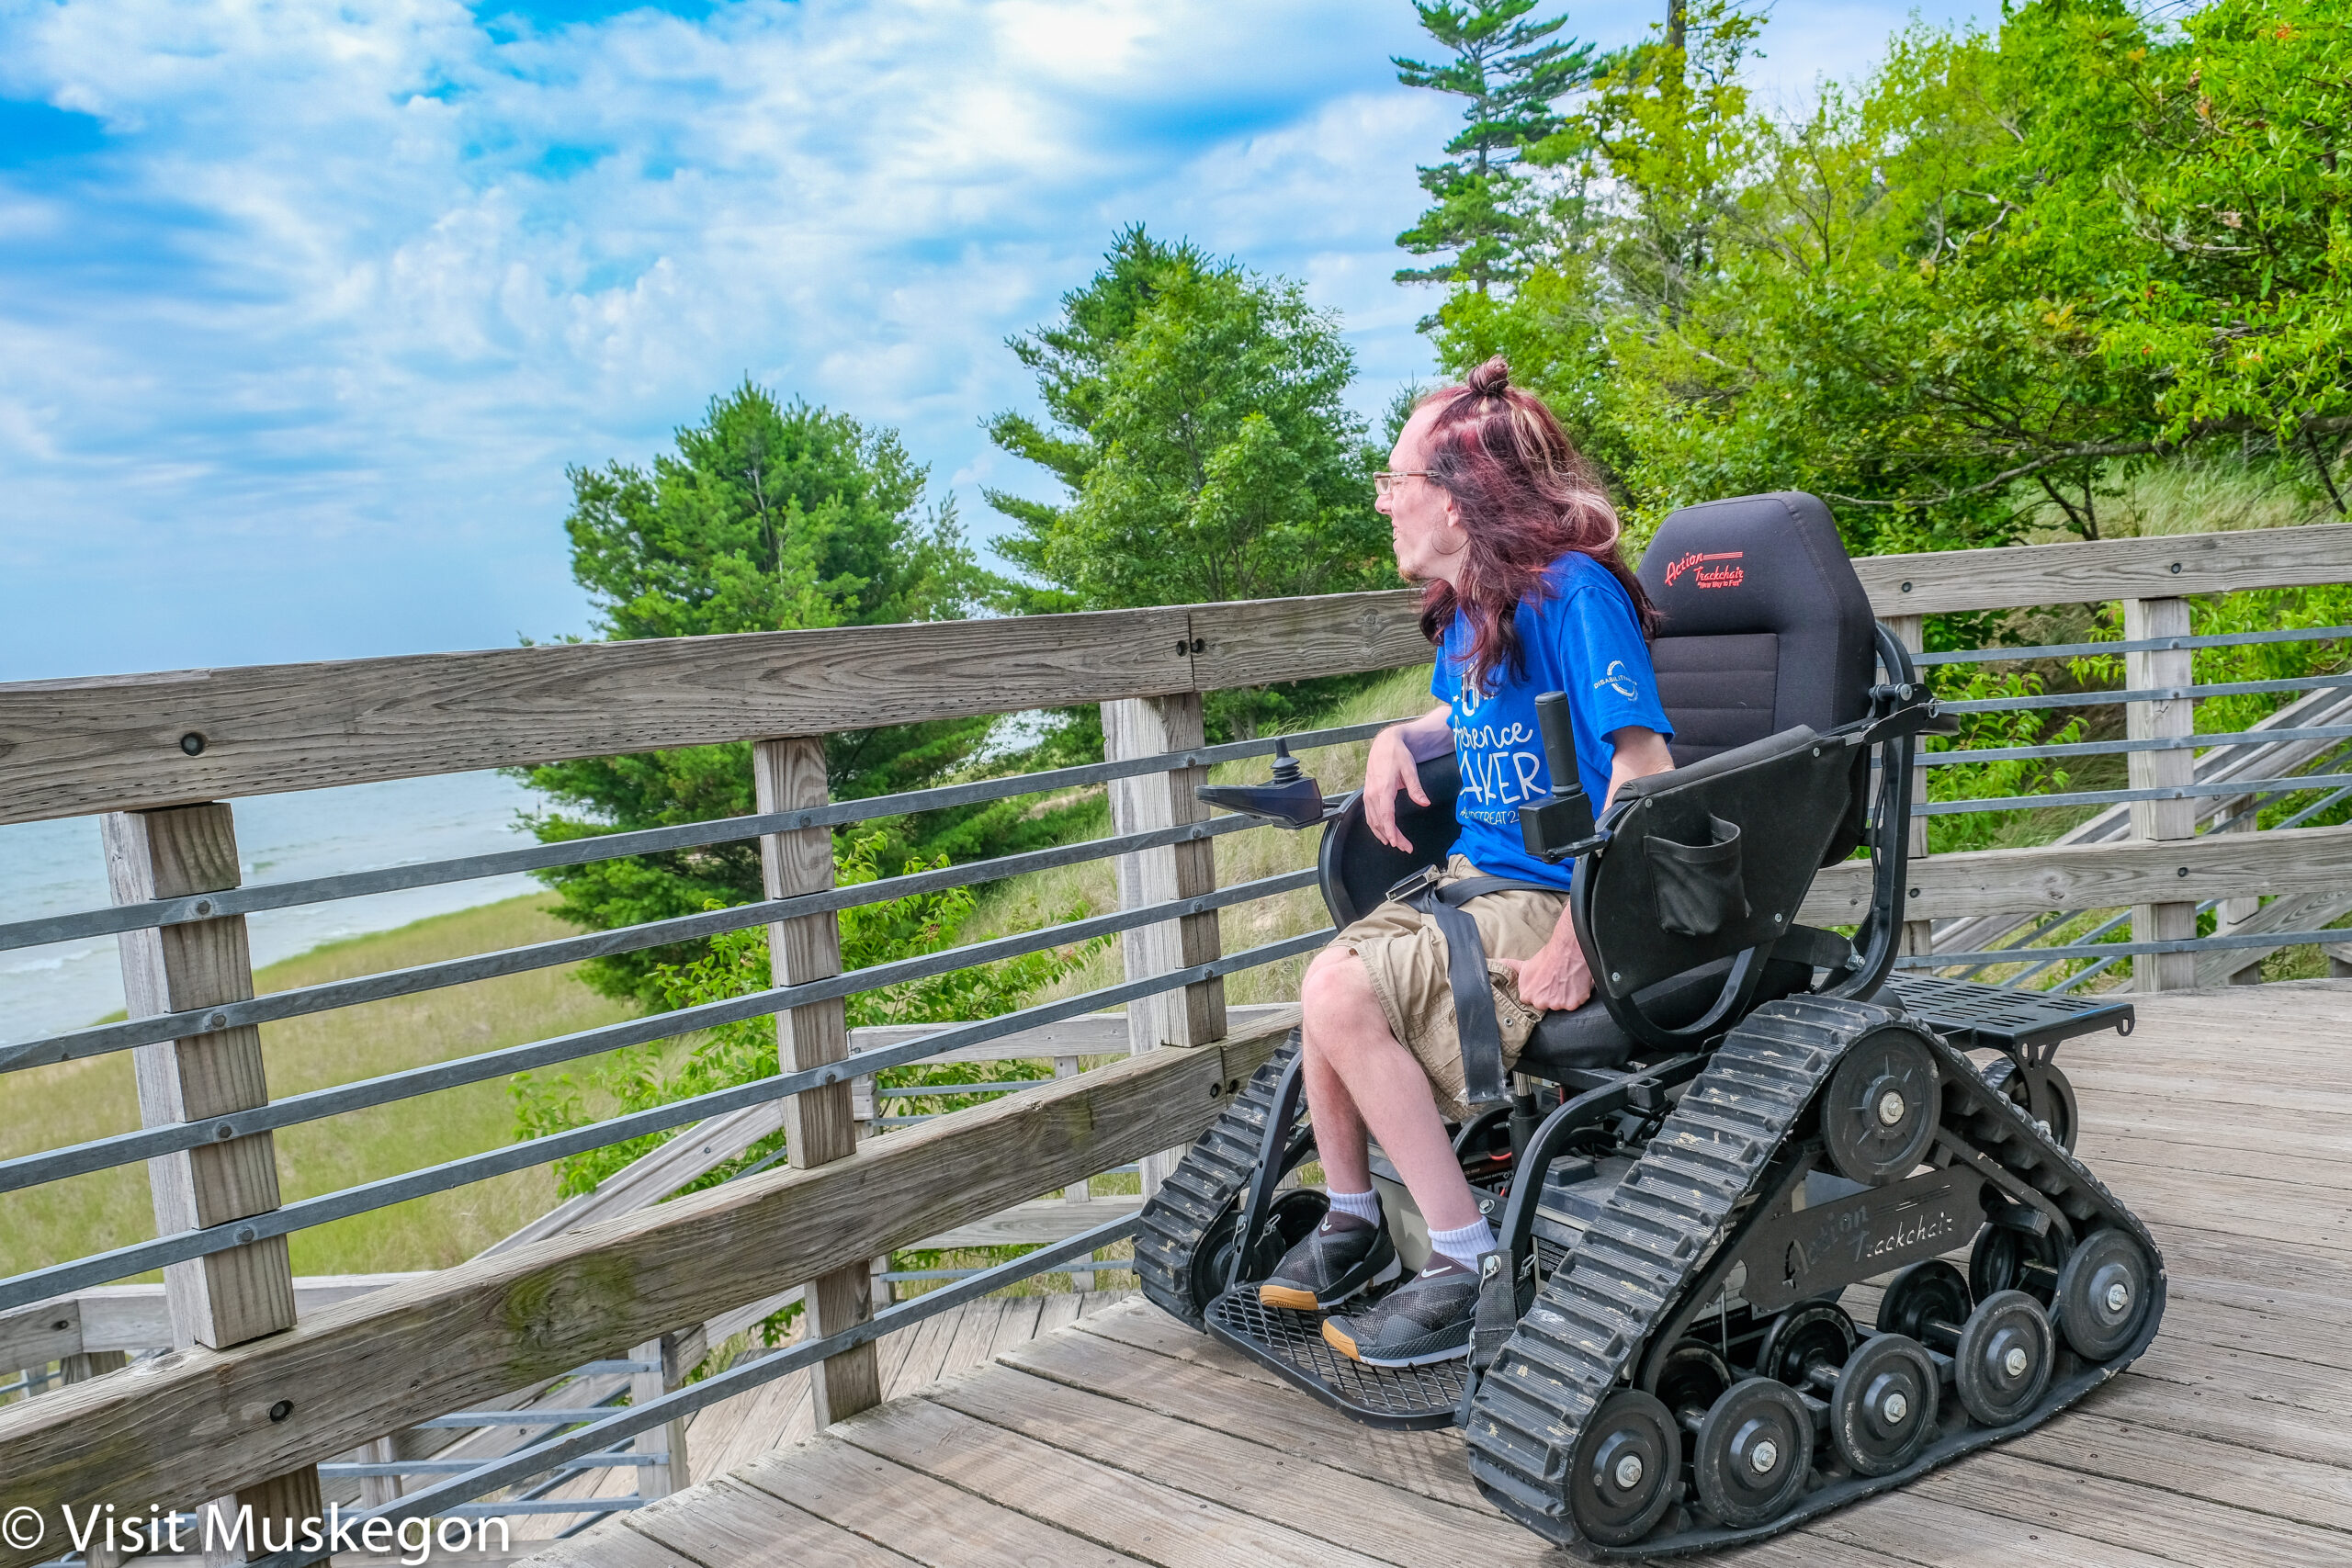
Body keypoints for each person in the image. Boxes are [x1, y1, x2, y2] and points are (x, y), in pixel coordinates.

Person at [1257, 355, 1676, 1368]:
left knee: (1343, 993)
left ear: (1459, 498)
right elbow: (1470, 708)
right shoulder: (1473, 605)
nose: (1382, 502)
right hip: (1479, 883)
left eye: (1395, 482)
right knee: (1329, 982)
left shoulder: (1573, 595)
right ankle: (1354, 1222)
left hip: (1554, 890)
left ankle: (1463, 1259)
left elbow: (1646, 766)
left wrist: (1583, 929)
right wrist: (1400, 734)